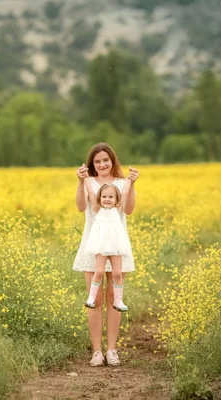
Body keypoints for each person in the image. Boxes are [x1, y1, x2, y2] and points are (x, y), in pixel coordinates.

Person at [73, 142, 138, 367]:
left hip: (117, 246)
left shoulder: (122, 183)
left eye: (105, 160)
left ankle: (112, 350)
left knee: (113, 298)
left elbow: (128, 210)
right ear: (92, 164)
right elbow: (81, 207)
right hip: (94, 246)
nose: (102, 164)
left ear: (112, 161)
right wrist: (80, 182)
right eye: (97, 161)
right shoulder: (88, 182)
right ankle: (96, 351)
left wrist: (132, 184)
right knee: (96, 299)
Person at [83, 180, 132, 312]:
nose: (107, 199)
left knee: (117, 273)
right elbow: (92, 192)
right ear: (100, 198)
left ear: (116, 199)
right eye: (104, 197)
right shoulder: (97, 209)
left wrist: (130, 180)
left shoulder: (118, 209)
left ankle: (118, 300)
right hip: (101, 245)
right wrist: (85, 178)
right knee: (98, 271)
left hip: (116, 245)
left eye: (111, 197)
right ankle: (91, 298)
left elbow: (126, 192)